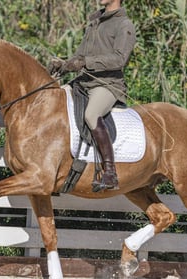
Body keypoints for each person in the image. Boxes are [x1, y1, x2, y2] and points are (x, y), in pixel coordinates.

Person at [49, 0, 136, 191]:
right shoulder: (95, 22)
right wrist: (64, 65)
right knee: (55, 98)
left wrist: (86, 62)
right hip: (83, 83)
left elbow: (120, 59)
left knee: (91, 114)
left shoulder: (124, 25)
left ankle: (110, 172)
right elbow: (81, 55)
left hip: (107, 85)